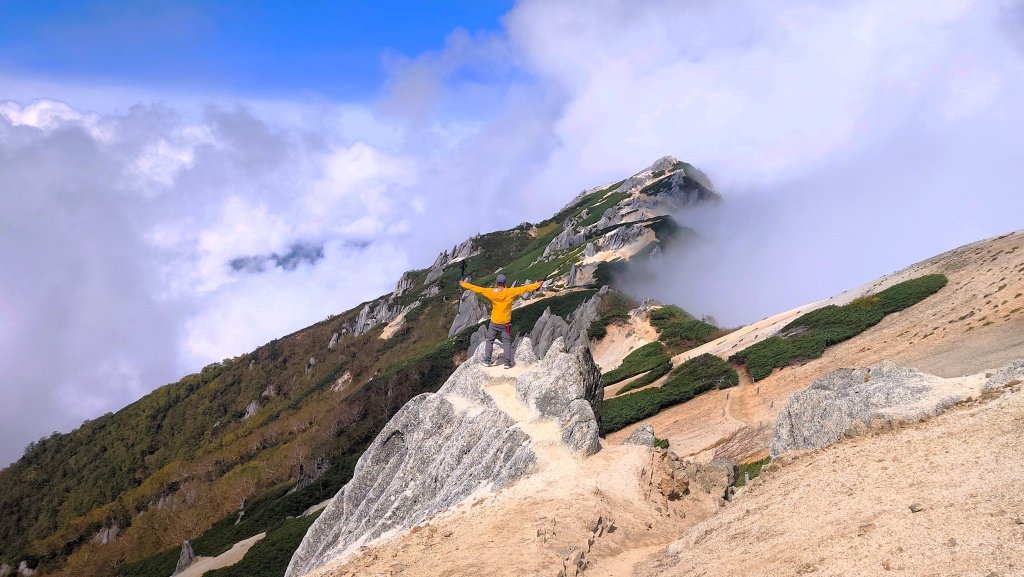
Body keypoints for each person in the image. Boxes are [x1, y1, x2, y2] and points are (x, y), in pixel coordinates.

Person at [459, 273, 543, 368]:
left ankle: (487, 360)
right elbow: (525, 288)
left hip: (494, 323)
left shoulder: (491, 292)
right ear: (505, 282)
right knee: (506, 342)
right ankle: (507, 363)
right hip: (505, 323)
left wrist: (463, 284)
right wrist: (537, 285)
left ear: (497, 283)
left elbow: (477, 289)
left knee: (490, 340)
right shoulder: (510, 292)